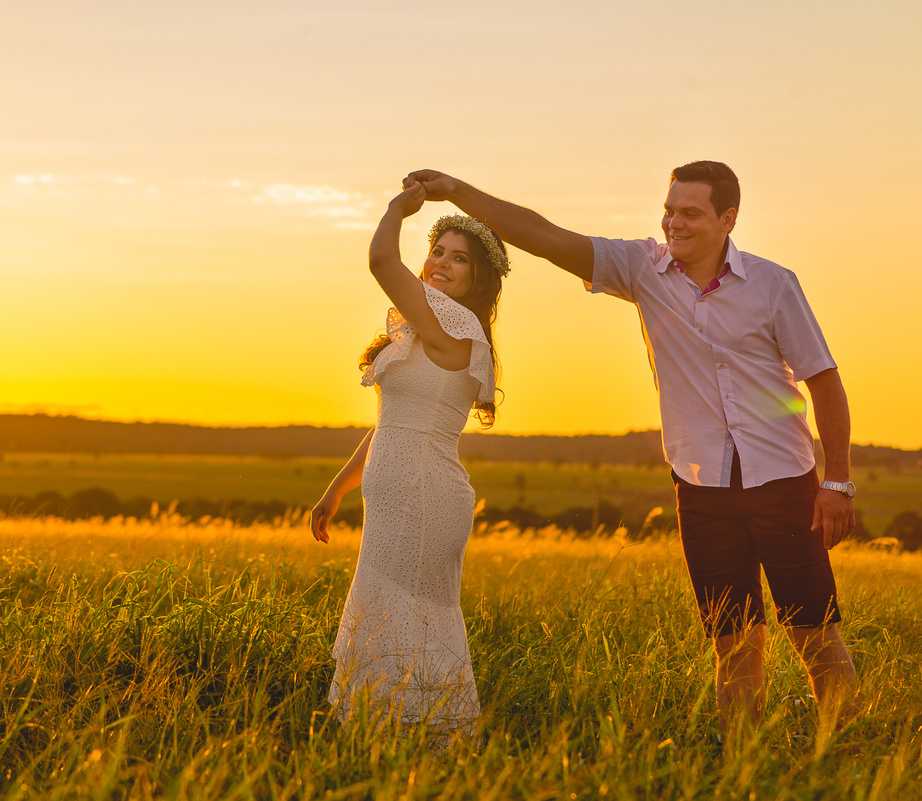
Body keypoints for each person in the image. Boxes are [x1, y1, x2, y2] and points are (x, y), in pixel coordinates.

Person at [401, 162, 858, 733]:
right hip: (702, 490)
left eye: (690, 213)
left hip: (784, 483)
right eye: (669, 210)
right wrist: (456, 191)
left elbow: (823, 380)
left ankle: (845, 758)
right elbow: (542, 237)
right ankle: (745, 771)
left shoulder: (774, 284)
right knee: (735, 646)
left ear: (728, 219)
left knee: (813, 634)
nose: (674, 222)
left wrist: (836, 482)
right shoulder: (642, 268)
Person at [310, 181, 509, 733]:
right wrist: (337, 489)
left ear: (477, 278)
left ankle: (426, 747)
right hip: (393, 499)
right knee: (385, 617)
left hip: (427, 497)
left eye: (458, 258)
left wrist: (400, 207)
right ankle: (384, 743)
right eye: (437, 251)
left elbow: (379, 258)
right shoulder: (417, 336)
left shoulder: (455, 329)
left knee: (411, 625)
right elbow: (388, 426)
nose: (441, 263)